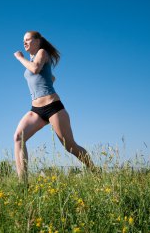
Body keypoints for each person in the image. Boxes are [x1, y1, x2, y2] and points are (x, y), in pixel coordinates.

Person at [13, 31, 95, 182]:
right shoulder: (32, 59)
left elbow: (35, 69)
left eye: (27, 40)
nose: (24, 43)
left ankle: (95, 171)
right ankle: (23, 184)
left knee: (69, 146)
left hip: (53, 107)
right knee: (18, 137)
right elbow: (49, 77)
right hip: (36, 110)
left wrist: (20, 57)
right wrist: (48, 80)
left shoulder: (42, 53)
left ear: (37, 41)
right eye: (23, 40)